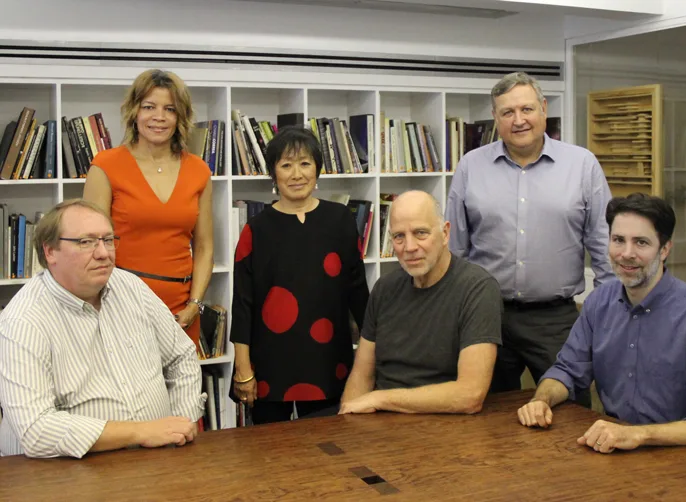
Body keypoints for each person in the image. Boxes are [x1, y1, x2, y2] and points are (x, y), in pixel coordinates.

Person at [445, 71, 613, 404]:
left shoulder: (582, 165)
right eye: (507, 112)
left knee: (568, 415)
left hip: (556, 321)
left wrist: (606, 316)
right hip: (486, 316)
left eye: (527, 109)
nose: (518, 120)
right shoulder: (470, 166)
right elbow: (455, 250)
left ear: (543, 109)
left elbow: (603, 245)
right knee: (486, 415)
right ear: (495, 117)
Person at [517, 193, 686, 456]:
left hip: (684, 458)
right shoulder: (599, 303)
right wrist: (541, 400)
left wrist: (640, 435)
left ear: (664, 250)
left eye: (641, 242)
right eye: (618, 240)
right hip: (617, 450)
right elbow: (567, 371)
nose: (626, 254)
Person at [0, 199, 205, 458]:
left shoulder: (130, 287)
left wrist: (177, 426)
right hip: (65, 474)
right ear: (50, 251)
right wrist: (140, 432)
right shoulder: (24, 321)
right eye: (86, 242)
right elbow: (36, 430)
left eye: (108, 240)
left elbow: (181, 356)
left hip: (158, 459)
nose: (103, 253)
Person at [230, 126, 370, 424]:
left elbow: (358, 293)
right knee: (272, 457)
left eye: (305, 163)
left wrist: (372, 360)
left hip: (329, 360)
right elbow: (243, 303)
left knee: (333, 452)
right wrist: (243, 369)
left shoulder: (341, 220)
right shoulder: (255, 229)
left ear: (317, 170)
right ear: (273, 173)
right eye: (286, 165)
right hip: (270, 365)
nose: (297, 174)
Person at [83, 68, 213, 350]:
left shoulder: (199, 170)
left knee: (182, 393)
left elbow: (204, 247)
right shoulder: (106, 165)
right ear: (134, 111)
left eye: (170, 109)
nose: (159, 117)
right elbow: (92, 246)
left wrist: (195, 305)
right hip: (120, 306)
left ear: (180, 116)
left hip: (181, 313)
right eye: (149, 107)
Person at [339, 190, 502, 415]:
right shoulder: (384, 288)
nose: (410, 247)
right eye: (398, 236)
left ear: (445, 233)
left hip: (446, 423)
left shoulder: (477, 288)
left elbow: (469, 395)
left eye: (420, 233)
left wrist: (380, 398)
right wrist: (346, 418)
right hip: (380, 422)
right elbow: (361, 375)